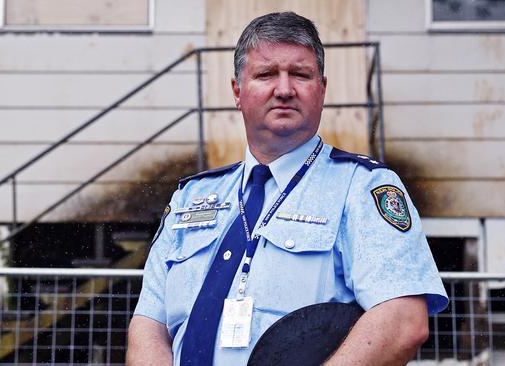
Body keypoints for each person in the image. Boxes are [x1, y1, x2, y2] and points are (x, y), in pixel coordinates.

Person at [127, 11, 448, 366]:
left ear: (321, 90)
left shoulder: (361, 188)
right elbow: (148, 325)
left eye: (300, 74)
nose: (284, 89)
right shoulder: (191, 198)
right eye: (265, 74)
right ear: (237, 91)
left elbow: (403, 319)